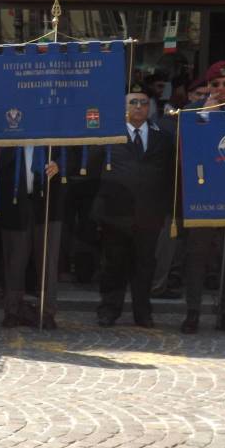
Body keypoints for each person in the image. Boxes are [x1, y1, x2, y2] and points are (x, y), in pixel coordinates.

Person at [93, 83, 174, 328]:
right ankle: (109, 309)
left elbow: (169, 173)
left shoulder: (162, 137)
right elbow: (94, 173)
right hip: (115, 214)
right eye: (133, 102)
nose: (139, 107)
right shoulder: (109, 136)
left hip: (149, 214)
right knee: (113, 265)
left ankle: (143, 312)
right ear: (123, 107)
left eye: (143, 103)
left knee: (145, 265)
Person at [180, 61, 225, 335]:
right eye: (216, 84)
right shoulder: (192, 112)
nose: (221, 89)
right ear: (208, 86)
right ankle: (192, 311)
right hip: (203, 192)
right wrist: (204, 116)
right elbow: (181, 144)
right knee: (197, 254)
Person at [0, 146, 61, 328]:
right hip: (14, 206)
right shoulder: (10, 133)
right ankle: (12, 311)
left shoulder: (53, 132)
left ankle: (47, 313)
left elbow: (74, 158)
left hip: (48, 205)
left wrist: (59, 165)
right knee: (14, 262)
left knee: (48, 262)